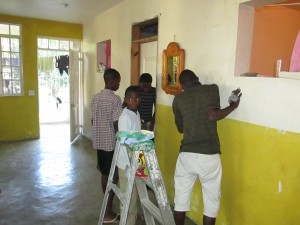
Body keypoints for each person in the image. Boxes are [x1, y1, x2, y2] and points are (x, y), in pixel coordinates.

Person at [172, 69, 242, 225]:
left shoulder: (178, 99)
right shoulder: (211, 89)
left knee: (180, 200)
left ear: (182, 85)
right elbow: (212, 115)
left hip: (186, 156)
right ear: (197, 79)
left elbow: (181, 129)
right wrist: (233, 106)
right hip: (208, 155)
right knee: (211, 202)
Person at [91, 68, 122, 223]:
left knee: (104, 173)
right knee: (113, 177)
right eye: (118, 81)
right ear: (111, 81)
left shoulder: (96, 98)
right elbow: (116, 124)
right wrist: (122, 140)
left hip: (98, 142)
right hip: (110, 143)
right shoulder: (115, 100)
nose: (119, 84)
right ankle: (108, 212)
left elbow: (92, 121)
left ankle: (106, 207)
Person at [117, 85, 141, 225]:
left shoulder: (136, 113)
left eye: (137, 98)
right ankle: (127, 221)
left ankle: (132, 217)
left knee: (135, 193)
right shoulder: (125, 117)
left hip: (136, 158)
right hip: (126, 162)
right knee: (127, 195)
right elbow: (126, 142)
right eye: (131, 98)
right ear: (126, 100)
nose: (134, 101)